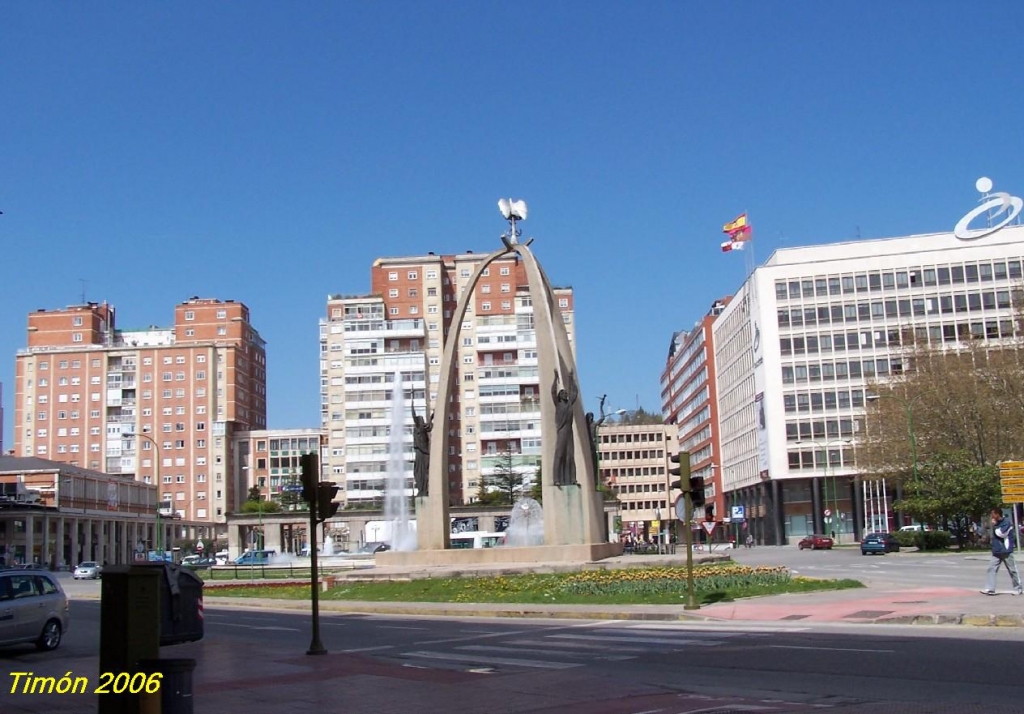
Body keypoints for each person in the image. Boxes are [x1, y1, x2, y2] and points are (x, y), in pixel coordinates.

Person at [981, 507, 1022, 596]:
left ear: (997, 514)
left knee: (1012, 570)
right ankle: (990, 588)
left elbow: (1001, 534)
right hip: (996, 551)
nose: (992, 516)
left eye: (993, 514)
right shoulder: (995, 523)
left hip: (1006, 550)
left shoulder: (1007, 522)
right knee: (991, 569)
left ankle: (1018, 588)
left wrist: (995, 526)